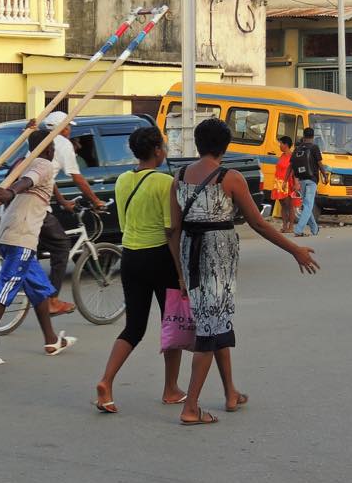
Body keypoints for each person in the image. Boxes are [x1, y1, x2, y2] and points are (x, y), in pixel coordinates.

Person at [170, 119, 319, 425]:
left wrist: (181, 273)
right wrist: (295, 250)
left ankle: (230, 393)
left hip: (190, 258)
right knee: (209, 333)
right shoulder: (230, 177)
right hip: (217, 262)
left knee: (218, 323)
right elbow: (259, 223)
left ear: (198, 144)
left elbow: (173, 230)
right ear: (225, 147)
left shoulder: (179, 175)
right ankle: (191, 408)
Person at [95, 126, 185, 414]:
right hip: (159, 256)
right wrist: (181, 272)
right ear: (157, 150)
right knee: (171, 323)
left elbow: (124, 221)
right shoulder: (164, 181)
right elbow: (171, 229)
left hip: (131, 256)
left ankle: (106, 381)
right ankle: (171, 389)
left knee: (134, 327)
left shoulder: (122, 180)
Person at [0, 129, 77, 356]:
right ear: (48, 149)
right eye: (53, 149)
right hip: (22, 238)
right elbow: (29, 180)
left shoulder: (22, 162)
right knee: (4, 291)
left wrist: (11, 191)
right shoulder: (43, 164)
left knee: (38, 291)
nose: (54, 152)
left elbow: (27, 179)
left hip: (9, 236)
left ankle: (51, 339)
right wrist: (11, 192)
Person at [40, 111, 105, 316]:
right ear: (63, 128)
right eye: (69, 127)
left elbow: (48, 176)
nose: (70, 131)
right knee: (62, 247)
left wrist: (62, 201)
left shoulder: (42, 141)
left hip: (28, 203)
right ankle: (52, 299)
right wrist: (95, 200)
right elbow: (77, 177)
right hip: (37, 206)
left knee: (42, 244)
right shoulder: (63, 143)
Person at [287, 127, 329, 238]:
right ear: (313, 136)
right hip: (312, 180)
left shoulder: (298, 148)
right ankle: (298, 229)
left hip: (302, 181)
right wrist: (325, 175)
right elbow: (320, 163)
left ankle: (314, 228)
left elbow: (290, 166)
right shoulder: (314, 147)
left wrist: (285, 180)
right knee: (308, 205)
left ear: (304, 136)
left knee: (306, 205)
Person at [272, 136, 296, 233]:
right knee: (283, 205)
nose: (280, 145)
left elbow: (293, 171)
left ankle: (291, 226)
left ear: (286, 145)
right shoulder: (282, 155)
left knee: (290, 205)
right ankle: (284, 226)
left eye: (281, 143)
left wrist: (294, 183)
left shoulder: (292, 156)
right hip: (279, 183)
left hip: (288, 183)